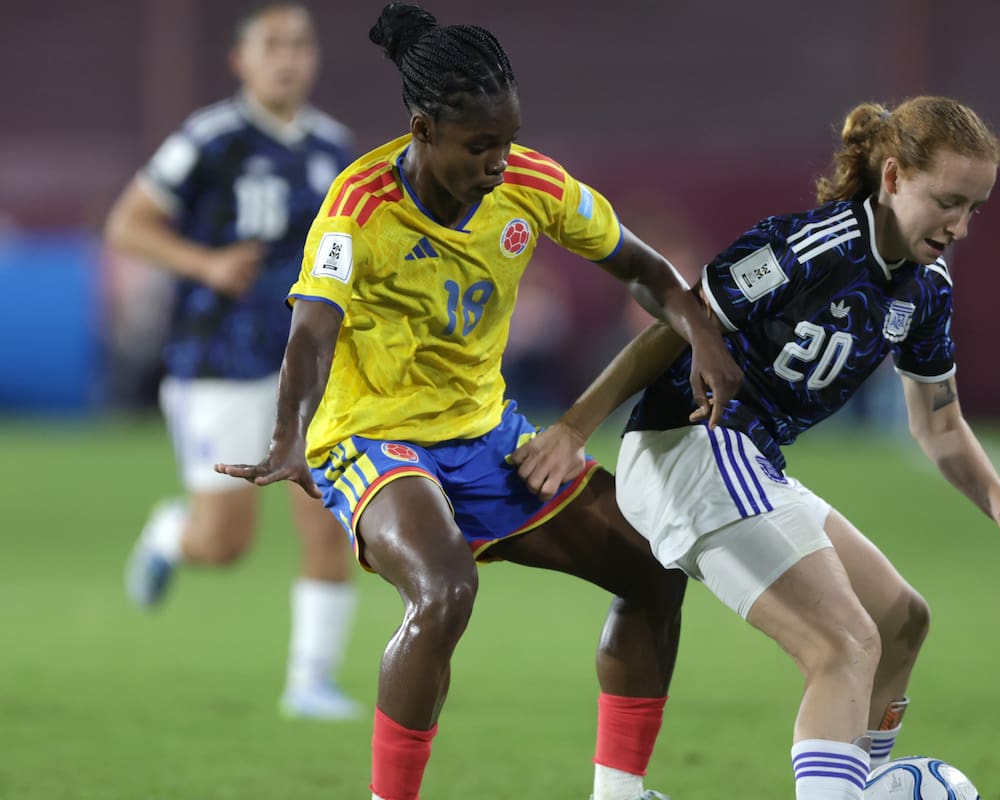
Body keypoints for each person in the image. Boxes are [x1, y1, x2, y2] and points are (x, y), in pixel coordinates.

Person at [215, 4, 743, 800]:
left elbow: (644, 269)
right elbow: (313, 331)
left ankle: (621, 792)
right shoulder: (358, 207)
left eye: (509, 138)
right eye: (480, 145)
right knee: (445, 591)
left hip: (484, 435)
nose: (500, 161)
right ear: (423, 129)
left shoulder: (532, 184)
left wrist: (699, 330)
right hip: (370, 437)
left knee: (654, 569)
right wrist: (290, 438)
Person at [512, 96, 1000, 800]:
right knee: (843, 644)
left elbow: (940, 423)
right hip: (691, 444)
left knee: (898, 622)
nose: (960, 225)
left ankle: (855, 783)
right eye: (947, 201)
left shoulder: (926, 290)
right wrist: (574, 428)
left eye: (974, 208)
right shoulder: (811, 247)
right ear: (893, 177)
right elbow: (679, 323)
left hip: (750, 459)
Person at [104, 1, 363, 720]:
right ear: (241, 60)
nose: (288, 58)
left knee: (327, 515)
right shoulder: (209, 139)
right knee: (224, 544)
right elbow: (127, 224)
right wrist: (206, 263)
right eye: (272, 45)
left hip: (308, 363)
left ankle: (310, 682)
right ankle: (171, 533)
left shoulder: (335, 149)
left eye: (300, 44)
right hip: (216, 358)